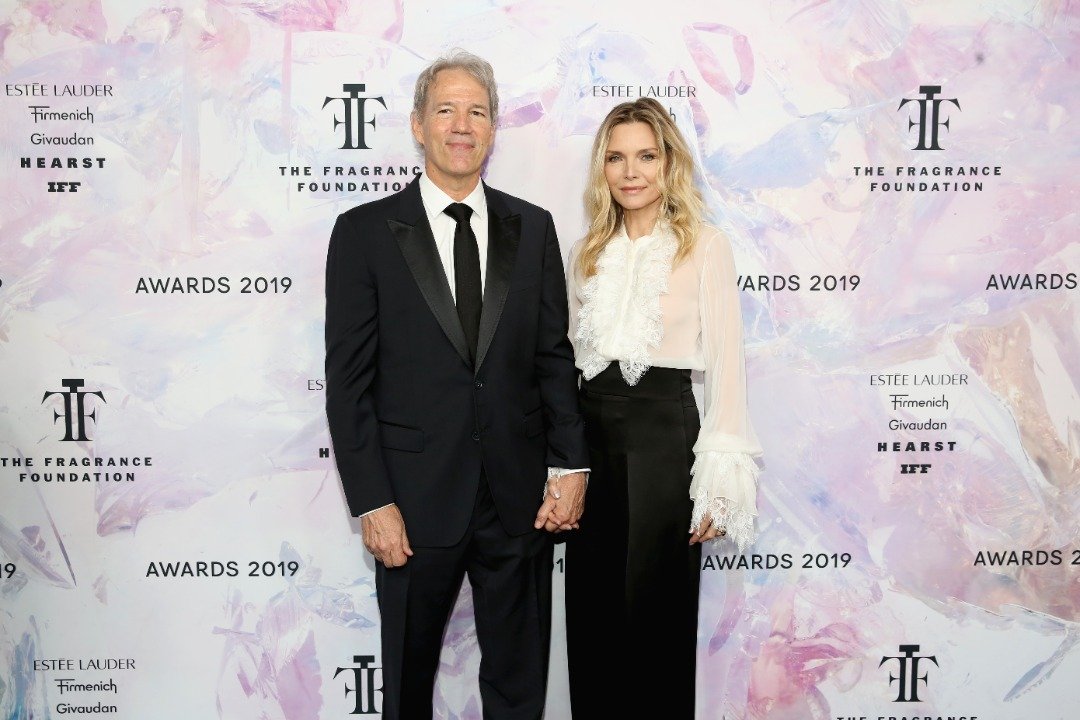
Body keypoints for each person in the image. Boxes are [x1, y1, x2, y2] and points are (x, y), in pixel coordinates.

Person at [324, 50, 588, 720]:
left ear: (494, 129)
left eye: (476, 111)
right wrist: (371, 501)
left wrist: (570, 464)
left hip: (518, 500)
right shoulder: (363, 234)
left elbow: (554, 359)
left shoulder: (533, 228)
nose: (461, 125)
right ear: (418, 125)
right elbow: (347, 384)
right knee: (408, 690)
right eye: (446, 109)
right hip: (412, 508)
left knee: (517, 688)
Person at [563, 97, 762, 719]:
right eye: (616, 158)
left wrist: (721, 480)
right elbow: (568, 365)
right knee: (591, 619)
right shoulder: (587, 251)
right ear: (602, 169)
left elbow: (728, 365)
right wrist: (561, 465)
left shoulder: (705, 246)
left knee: (656, 619)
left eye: (645, 156)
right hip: (590, 442)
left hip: (663, 436)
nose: (631, 172)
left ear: (668, 162)